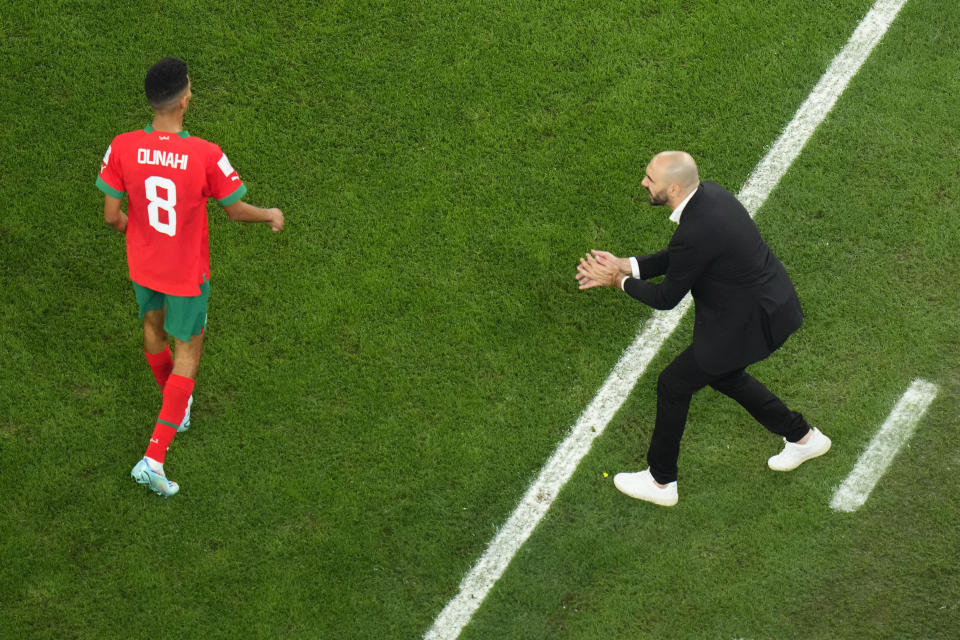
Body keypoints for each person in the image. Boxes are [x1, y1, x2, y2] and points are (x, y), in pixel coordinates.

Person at [576, 151, 830, 507]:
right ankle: (802, 437)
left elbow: (666, 298)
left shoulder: (696, 229)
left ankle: (661, 481)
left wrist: (616, 280)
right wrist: (628, 265)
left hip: (750, 325)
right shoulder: (711, 196)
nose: (644, 183)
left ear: (674, 187)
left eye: (650, 178)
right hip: (770, 309)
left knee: (673, 384)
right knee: (725, 376)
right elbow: (680, 255)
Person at [97, 57, 284, 498]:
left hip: (144, 265)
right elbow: (235, 210)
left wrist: (136, 233)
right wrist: (271, 214)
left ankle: (174, 406)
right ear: (183, 100)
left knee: (152, 329)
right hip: (185, 272)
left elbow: (110, 217)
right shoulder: (205, 154)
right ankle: (154, 457)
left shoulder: (121, 146)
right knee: (189, 351)